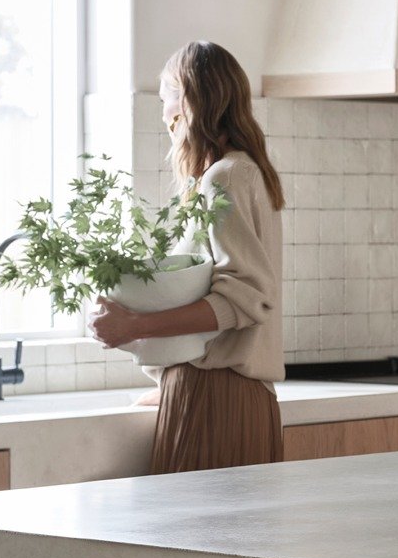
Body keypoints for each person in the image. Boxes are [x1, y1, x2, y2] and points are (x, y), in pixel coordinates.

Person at [90, 41, 286, 474]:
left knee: (194, 541)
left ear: (194, 100)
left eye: (168, 99)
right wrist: (171, 379)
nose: (164, 115)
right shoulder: (244, 172)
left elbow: (245, 298)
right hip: (224, 394)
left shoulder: (225, 177)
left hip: (216, 400)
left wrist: (135, 326)